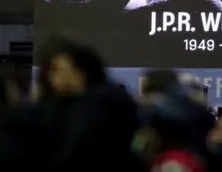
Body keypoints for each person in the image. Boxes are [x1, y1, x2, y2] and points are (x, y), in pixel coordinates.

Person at [36, 39, 143, 172]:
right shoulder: (56, 105)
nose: (52, 76)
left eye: (56, 69)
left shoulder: (103, 104)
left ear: (79, 70)